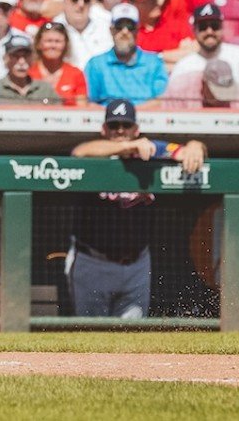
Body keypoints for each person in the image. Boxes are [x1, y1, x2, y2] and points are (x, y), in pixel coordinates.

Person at [68, 100, 207, 319]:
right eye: (114, 126)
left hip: (137, 263)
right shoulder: (96, 153)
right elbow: (80, 151)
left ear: (136, 129)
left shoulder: (152, 151)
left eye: (126, 125)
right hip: (93, 261)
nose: (120, 131)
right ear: (104, 130)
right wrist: (128, 147)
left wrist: (196, 145)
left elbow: (181, 150)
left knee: (131, 338)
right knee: (90, 335)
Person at [165, 2, 239, 107]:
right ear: (194, 30)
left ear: (222, 27)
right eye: (203, 27)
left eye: (214, 26)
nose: (209, 31)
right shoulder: (184, 65)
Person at [83, 4, 169, 105]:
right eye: (119, 26)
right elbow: (89, 103)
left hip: (144, 119)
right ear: (111, 30)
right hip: (106, 119)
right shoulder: (96, 65)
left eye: (130, 26)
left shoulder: (154, 63)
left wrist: (130, 116)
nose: (124, 32)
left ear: (137, 31)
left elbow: (160, 101)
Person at [0, 35, 59, 105]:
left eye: (26, 56)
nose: (22, 62)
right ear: (6, 59)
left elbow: (60, 113)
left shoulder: (44, 89)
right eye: (16, 56)